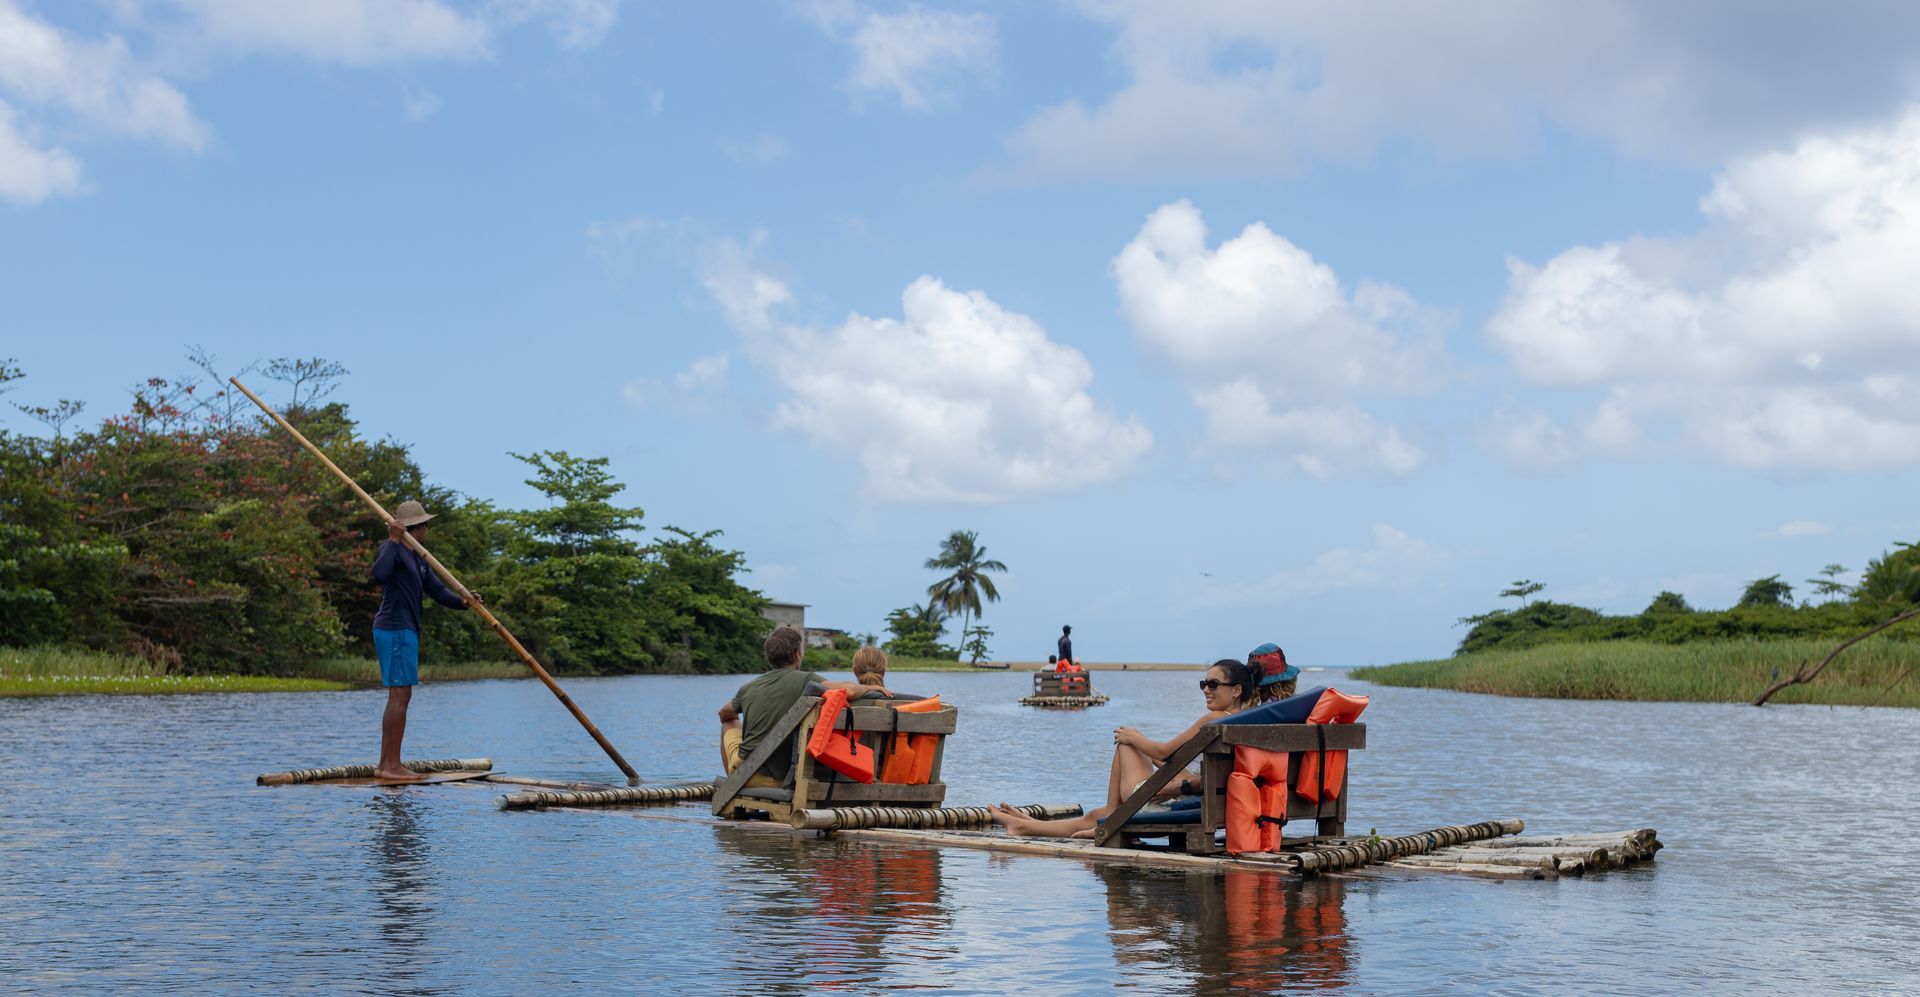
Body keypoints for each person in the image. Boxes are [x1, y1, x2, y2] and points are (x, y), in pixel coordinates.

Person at [990, 658, 1259, 838]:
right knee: (1102, 807)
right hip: (1212, 800)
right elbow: (1178, 763)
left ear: (1236, 691)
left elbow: (1165, 752)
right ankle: (1026, 825)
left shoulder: (1215, 718)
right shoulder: (1246, 719)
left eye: (1213, 684)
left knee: (1126, 744)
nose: (1206, 690)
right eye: (1203, 684)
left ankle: (1106, 821)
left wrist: (1132, 736)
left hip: (1188, 804)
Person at [370, 500, 478, 781]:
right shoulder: (392, 550)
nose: (427, 529)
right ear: (414, 529)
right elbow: (378, 575)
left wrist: (464, 603)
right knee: (399, 694)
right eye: (424, 525)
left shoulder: (418, 557)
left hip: (407, 630)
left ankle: (389, 763)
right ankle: (389, 766)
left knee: (403, 695)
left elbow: (437, 590)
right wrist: (392, 541)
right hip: (394, 628)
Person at [718, 626, 891, 788]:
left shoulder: (748, 688)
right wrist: (871, 688)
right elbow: (850, 690)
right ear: (797, 654)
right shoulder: (806, 680)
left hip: (748, 777)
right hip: (787, 779)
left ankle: (733, 788)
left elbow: (724, 713)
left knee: (728, 723)